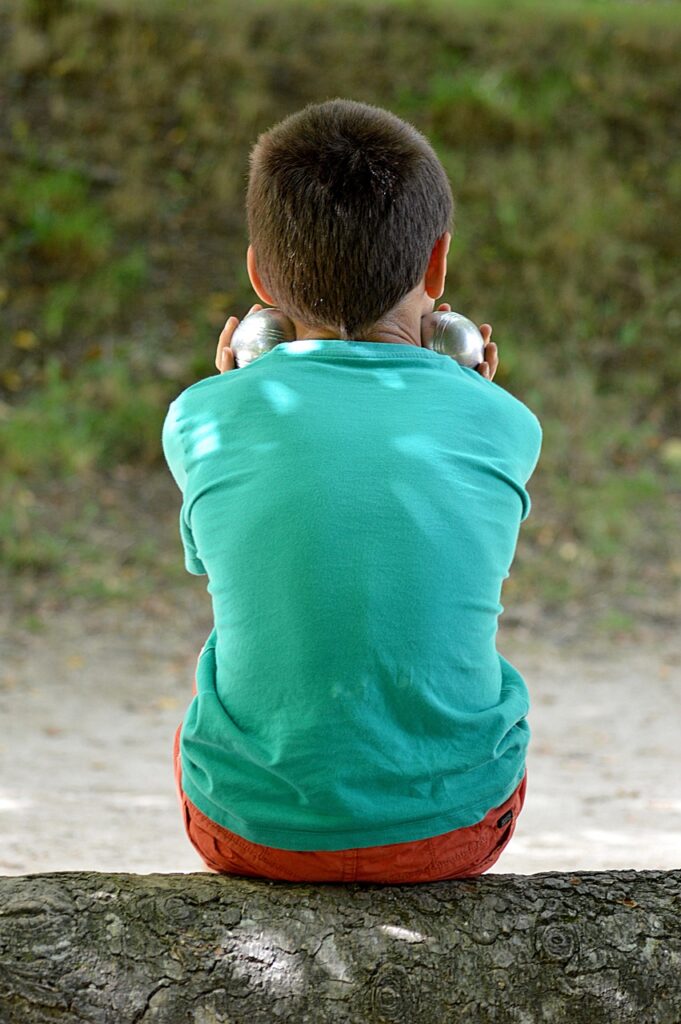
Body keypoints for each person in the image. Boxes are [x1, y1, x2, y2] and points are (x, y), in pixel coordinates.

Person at [162, 98, 542, 883]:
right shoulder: (506, 424)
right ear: (436, 267)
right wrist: (472, 399)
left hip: (251, 829)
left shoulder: (200, 419)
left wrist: (232, 393)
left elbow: (213, 561)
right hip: (453, 830)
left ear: (260, 276)